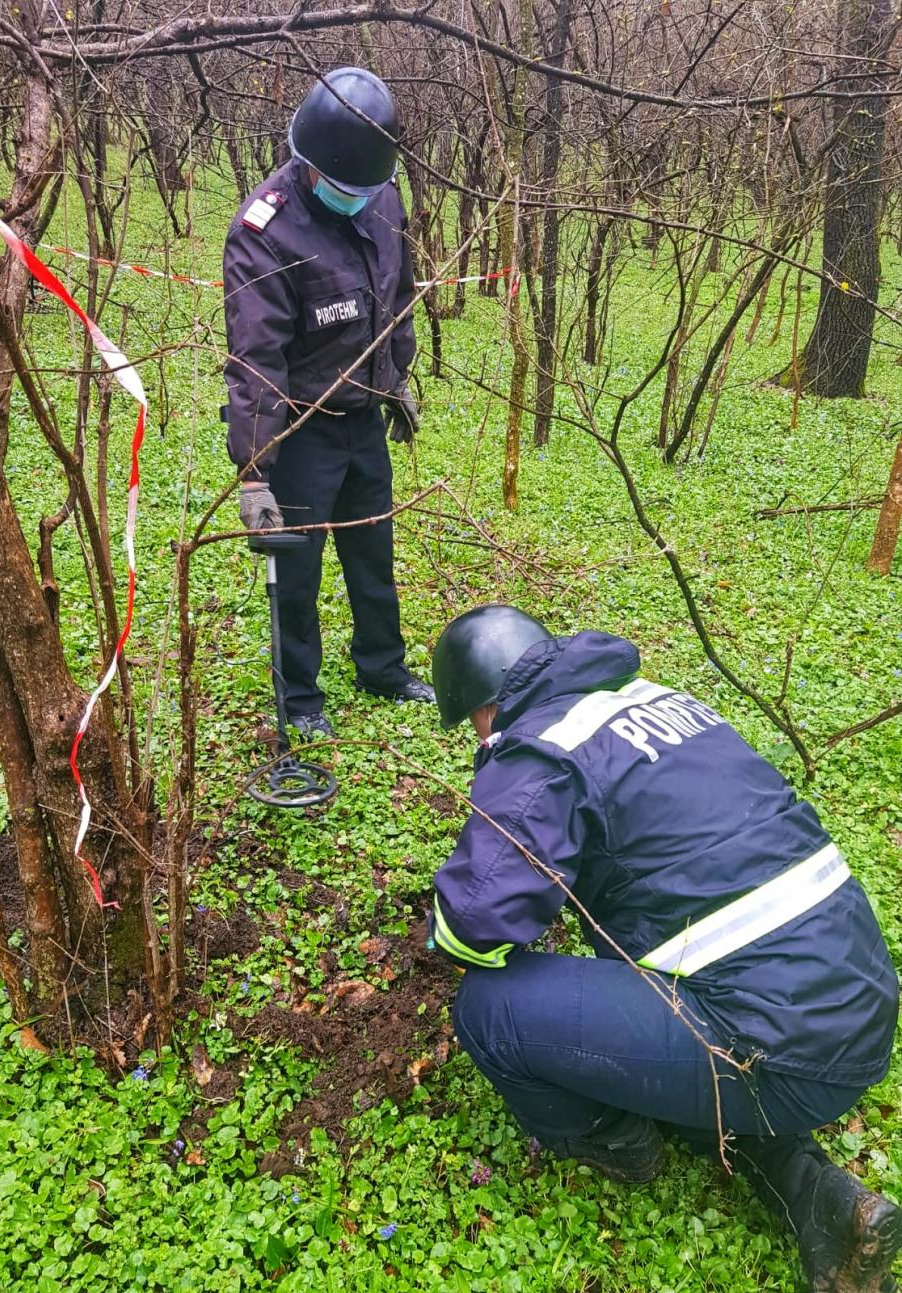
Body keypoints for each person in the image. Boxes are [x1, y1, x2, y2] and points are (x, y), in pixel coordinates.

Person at [429, 604, 901, 1293]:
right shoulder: (658, 702)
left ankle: (618, 1137)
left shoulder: (540, 744)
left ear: (485, 706)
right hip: (856, 1015)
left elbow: (470, 924)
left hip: (768, 1032)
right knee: (709, 1032)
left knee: (487, 1006)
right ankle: (822, 1200)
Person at [222, 67, 435, 739]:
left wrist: (394, 376)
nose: (357, 199)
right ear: (307, 163)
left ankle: (382, 668)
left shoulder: (382, 197)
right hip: (303, 431)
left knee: (373, 554)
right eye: (345, 189)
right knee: (298, 572)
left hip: (363, 417)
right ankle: (300, 699)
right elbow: (257, 356)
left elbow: (394, 297)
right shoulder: (264, 234)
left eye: (366, 190)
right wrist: (255, 469)